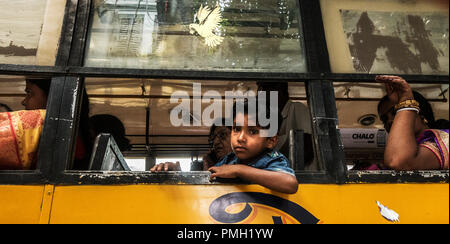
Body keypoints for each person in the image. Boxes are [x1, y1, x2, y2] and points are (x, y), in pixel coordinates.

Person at [208, 100, 299, 194]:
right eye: (236, 129)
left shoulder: (272, 159)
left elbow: (290, 183)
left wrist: (239, 170)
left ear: (271, 140)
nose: (240, 138)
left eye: (252, 132)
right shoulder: (230, 159)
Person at [376, 75, 449, 170]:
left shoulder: (445, 139)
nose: (389, 121)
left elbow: (397, 160)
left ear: (421, 115)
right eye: (384, 119)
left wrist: (406, 102)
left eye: (395, 113)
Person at [257, 82, 315, 169]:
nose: (262, 95)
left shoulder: (297, 108)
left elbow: (306, 151)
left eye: (266, 90)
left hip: (302, 177)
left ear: (280, 91)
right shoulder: (269, 117)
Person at [151, 118, 232, 172]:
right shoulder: (200, 166)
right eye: (213, 138)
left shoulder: (243, 165)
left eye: (222, 135)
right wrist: (177, 174)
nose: (216, 142)